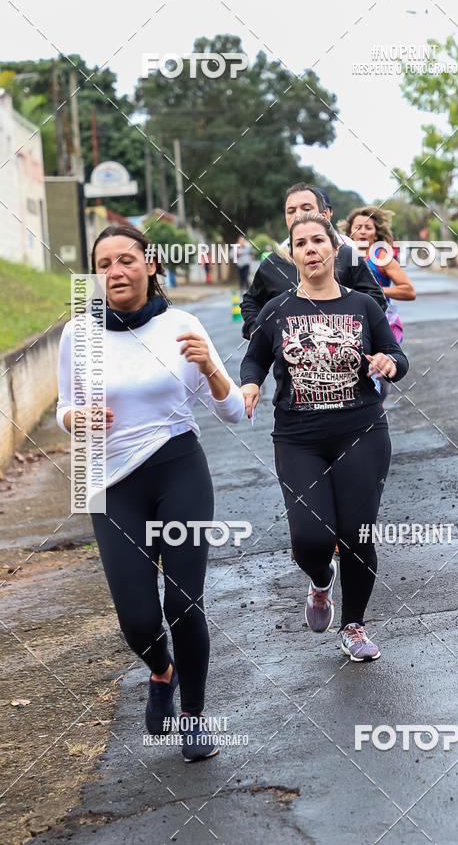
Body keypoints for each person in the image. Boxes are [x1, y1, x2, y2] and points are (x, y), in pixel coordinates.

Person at [56, 224, 245, 762]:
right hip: (108, 482)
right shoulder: (78, 334)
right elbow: (63, 408)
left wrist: (210, 368)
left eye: (126, 260)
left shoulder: (183, 325)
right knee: (137, 618)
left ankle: (195, 718)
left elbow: (232, 412)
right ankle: (160, 672)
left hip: (178, 467)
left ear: (151, 265)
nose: (116, 271)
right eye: (105, 264)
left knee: (184, 602)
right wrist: (78, 418)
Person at [239, 212, 409, 661]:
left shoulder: (363, 305)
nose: (311, 248)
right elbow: (253, 358)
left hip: (362, 430)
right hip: (298, 439)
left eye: (319, 240)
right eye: (301, 243)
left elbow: (395, 353)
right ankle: (319, 581)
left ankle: (354, 625)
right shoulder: (277, 311)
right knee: (311, 540)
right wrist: (251, 383)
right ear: (292, 254)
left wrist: (391, 363)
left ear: (335, 249)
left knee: (357, 532)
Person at [240, 184, 387, 340]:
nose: (298, 215)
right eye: (291, 211)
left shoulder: (347, 255)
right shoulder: (273, 263)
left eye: (306, 208)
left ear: (323, 215)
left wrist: (349, 335)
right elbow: (251, 302)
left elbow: (376, 300)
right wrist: (258, 332)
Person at [341, 205, 416, 400]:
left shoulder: (380, 257)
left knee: (377, 375)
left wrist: (370, 292)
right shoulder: (340, 257)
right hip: (347, 324)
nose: (363, 231)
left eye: (368, 227)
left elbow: (409, 290)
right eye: (358, 227)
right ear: (349, 233)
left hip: (380, 321)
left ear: (376, 234)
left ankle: (376, 409)